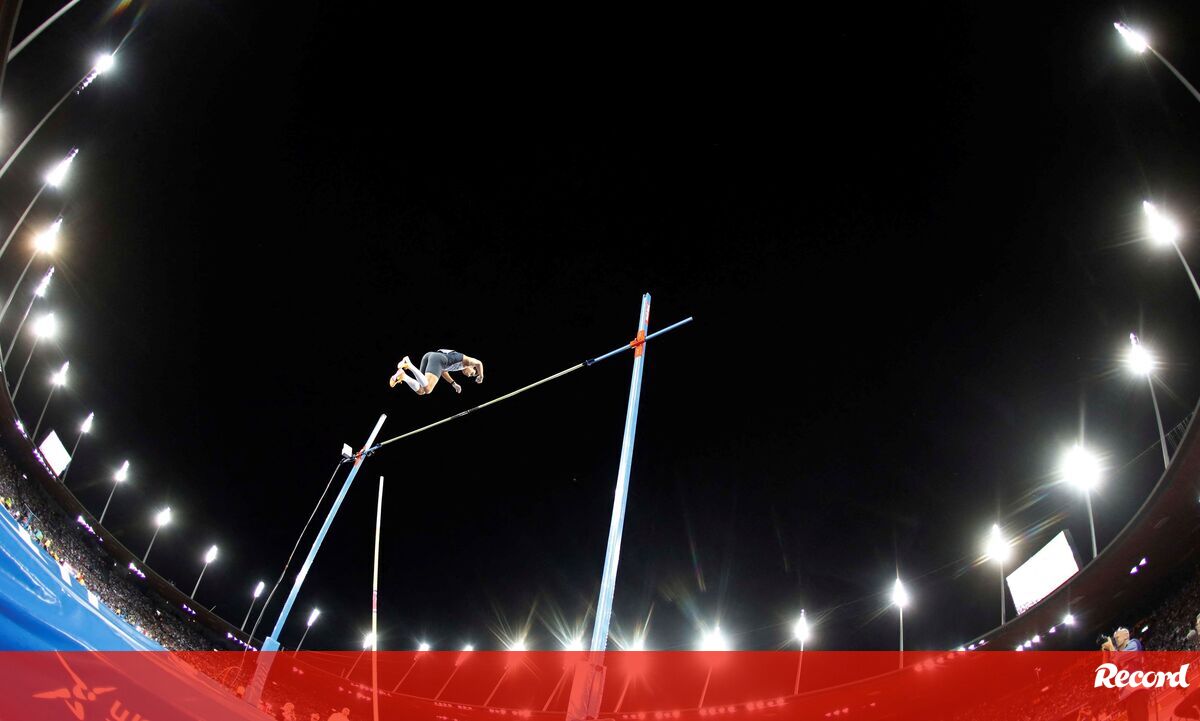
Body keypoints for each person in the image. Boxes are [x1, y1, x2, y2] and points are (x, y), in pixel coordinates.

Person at [389, 350, 484, 395]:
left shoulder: (459, 365)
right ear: (472, 367)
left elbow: (442, 371)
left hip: (430, 356)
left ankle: (403, 376)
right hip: (438, 359)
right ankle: (408, 364)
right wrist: (481, 376)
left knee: (421, 390)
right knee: (428, 389)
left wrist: (453, 383)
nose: (469, 376)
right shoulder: (467, 361)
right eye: (472, 373)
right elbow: (479, 363)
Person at [1102, 627, 1147, 721]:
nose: (1116, 640)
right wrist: (1105, 653)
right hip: (1127, 695)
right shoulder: (1117, 653)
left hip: (1136, 691)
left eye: (1118, 637)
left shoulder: (1134, 643)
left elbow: (1120, 657)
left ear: (1126, 636)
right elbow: (1105, 671)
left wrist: (1111, 647)